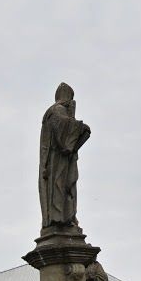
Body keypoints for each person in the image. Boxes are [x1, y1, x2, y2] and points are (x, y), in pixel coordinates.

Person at [39, 82, 92, 233]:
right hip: (57, 160)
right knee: (60, 185)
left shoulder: (57, 110)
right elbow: (63, 132)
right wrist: (79, 127)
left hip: (61, 159)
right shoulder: (57, 109)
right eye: (71, 98)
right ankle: (60, 219)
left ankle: (66, 218)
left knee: (66, 186)